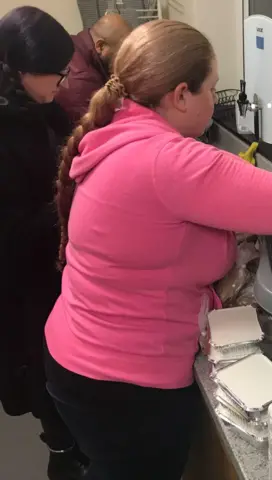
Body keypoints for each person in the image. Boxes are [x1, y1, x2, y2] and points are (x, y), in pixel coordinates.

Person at [44, 19, 272, 480]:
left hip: (78, 361)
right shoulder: (167, 160)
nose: (215, 100)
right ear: (179, 95)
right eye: (211, 89)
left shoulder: (120, 132)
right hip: (122, 384)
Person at [0, 6, 88, 480]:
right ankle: (62, 447)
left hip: (51, 266)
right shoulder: (6, 129)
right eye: (54, 73)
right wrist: (65, 199)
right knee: (42, 370)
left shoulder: (39, 105)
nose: (62, 81)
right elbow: (9, 238)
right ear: (19, 68)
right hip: (22, 281)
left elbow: (68, 133)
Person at [55, 13, 132, 124]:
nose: (125, 59)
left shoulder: (73, 43)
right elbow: (97, 132)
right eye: (122, 52)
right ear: (100, 46)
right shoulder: (81, 83)